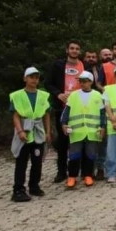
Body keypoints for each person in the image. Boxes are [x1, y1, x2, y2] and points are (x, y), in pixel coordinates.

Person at [10, 67, 51, 202]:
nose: (34, 80)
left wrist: (48, 132)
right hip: (24, 129)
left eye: (36, 77)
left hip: (38, 130)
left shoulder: (43, 95)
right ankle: (18, 189)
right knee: (21, 161)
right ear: (25, 78)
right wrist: (20, 131)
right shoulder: (17, 95)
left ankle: (34, 186)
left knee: (37, 161)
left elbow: (46, 114)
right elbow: (15, 115)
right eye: (31, 77)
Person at [45, 40, 84, 183]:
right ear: (67, 50)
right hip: (62, 108)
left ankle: (77, 170)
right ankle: (61, 171)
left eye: (77, 49)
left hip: (80, 108)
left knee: (78, 139)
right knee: (63, 140)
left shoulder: (83, 65)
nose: (74, 51)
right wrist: (58, 94)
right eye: (72, 48)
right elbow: (47, 83)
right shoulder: (58, 65)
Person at [61, 71, 104, 188]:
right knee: (74, 155)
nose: (82, 83)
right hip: (76, 131)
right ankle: (72, 177)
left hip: (92, 131)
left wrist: (103, 127)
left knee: (90, 155)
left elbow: (102, 113)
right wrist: (63, 123)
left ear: (91, 82)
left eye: (85, 81)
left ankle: (88, 175)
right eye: (80, 81)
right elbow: (66, 111)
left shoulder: (97, 95)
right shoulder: (73, 95)